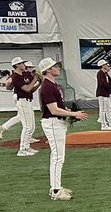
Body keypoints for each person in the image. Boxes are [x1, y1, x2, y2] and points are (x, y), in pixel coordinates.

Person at [37, 57, 88, 200]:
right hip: (53, 122)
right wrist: (73, 113)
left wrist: (70, 113)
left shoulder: (52, 85)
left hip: (56, 122)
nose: (58, 68)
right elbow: (53, 110)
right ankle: (56, 191)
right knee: (58, 157)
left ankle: (56, 187)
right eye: (55, 66)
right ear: (48, 70)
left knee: (57, 157)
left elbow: (58, 107)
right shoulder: (47, 86)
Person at [0, 56, 41, 155]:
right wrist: (35, 80)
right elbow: (27, 89)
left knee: (31, 126)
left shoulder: (22, 75)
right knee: (27, 127)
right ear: (17, 65)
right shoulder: (16, 76)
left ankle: (26, 147)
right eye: (21, 63)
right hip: (22, 101)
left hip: (27, 101)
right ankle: (22, 149)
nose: (24, 65)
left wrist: (38, 82)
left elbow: (31, 89)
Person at [96, 60, 111, 130]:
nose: (107, 65)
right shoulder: (100, 73)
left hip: (106, 93)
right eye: (106, 64)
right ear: (103, 65)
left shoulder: (105, 74)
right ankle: (103, 125)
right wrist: (110, 87)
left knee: (108, 108)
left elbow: (110, 82)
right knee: (103, 109)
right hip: (102, 93)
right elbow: (102, 83)